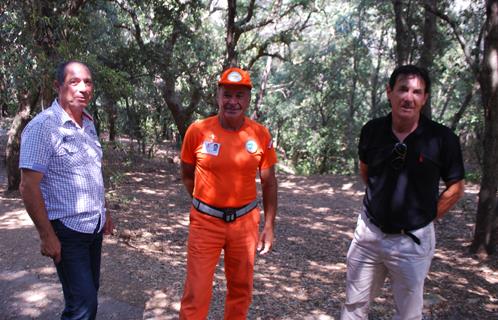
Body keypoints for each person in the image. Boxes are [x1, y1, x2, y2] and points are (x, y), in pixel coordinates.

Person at [341, 65, 465, 320]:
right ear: (389, 92)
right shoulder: (372, 131)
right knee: (354, 304)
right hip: (368, 234)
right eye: (403, 89)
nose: (409, 97)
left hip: (412, 241)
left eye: (417, 92)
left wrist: (428, 217)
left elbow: (456, 187)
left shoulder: (442, 139)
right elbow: (366, 172)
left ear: (425, 98)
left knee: (408, 313)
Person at [179, 67, 278, 319]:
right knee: (197, 291)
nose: (233, 101)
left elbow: (269, 183)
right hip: (205, 224)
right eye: (227, 95)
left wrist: (268, 226)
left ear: (248, 99)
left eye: (239, 95)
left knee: (241, 290)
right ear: (218, 96)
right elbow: (187, 174)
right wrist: (206, 204)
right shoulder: (198, 131)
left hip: (245, 224)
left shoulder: (260, 134)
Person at [19, 60, 113, 320]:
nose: (83, 88)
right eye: (74, 82)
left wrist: (104, 211)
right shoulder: (43, 127)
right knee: (82, 306)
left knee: (87, 296)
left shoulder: (89, 123)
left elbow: (92, 170)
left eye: (88, 82)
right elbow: (28, 186)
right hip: (67, 232)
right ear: (57, 86)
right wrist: (46, 236)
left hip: (92, 228)